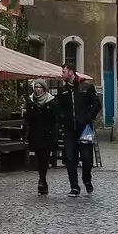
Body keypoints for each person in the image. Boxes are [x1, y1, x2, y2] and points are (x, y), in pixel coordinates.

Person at [61, 68, 102, 196]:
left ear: (71, 72)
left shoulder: (86, 87)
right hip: (69, 129)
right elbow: (59, 108)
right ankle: (74, 187)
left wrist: (87, 118)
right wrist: (62, 119)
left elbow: (96, 105)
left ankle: (87, 180)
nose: (61, 74)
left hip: (85, 129)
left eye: (63, 72)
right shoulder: (63, 90)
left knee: (87, 157)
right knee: (70, 157)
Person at [26, 79, 60, 195]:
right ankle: (42, 179)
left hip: (47, 134)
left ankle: (42, 179)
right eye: (36, 87)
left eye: (40, 87)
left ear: (44, 89)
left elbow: (55, 119)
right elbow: (28, 119)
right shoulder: (30, 101)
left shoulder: (51, 101)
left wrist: (55, 134)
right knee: (38, 156)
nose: (38, 89)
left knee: (44, 157)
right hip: (35, 134)